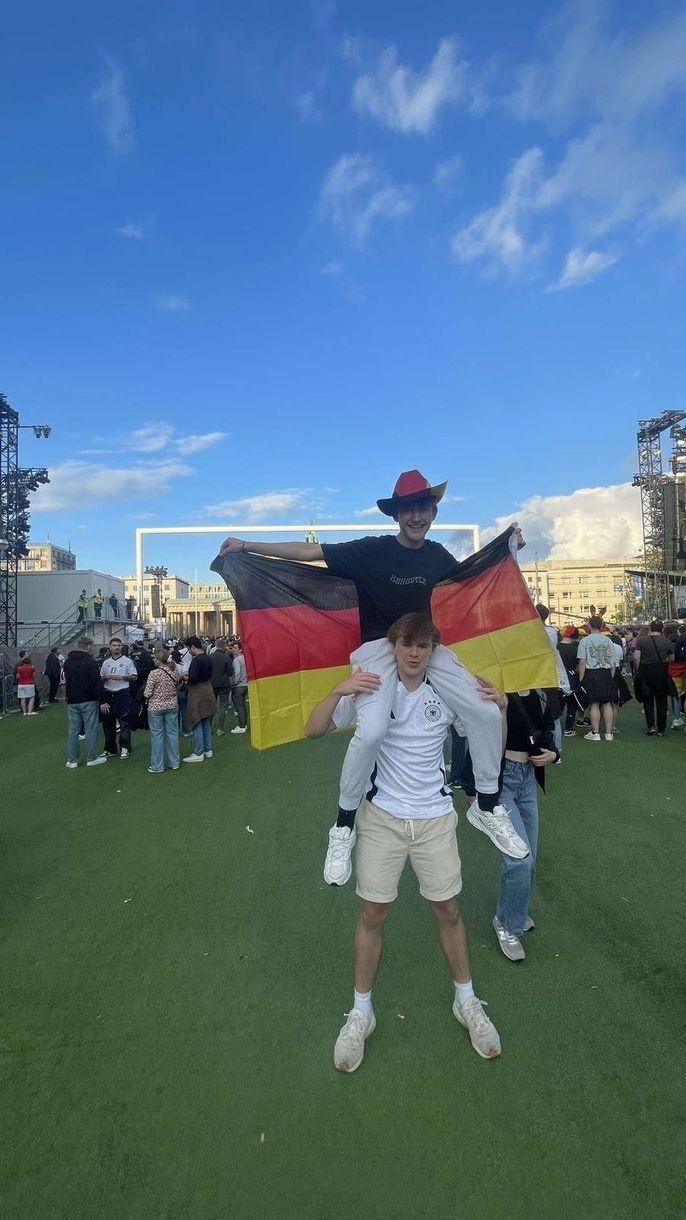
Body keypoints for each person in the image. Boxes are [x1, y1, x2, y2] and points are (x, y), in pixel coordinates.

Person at [220, 469, 528, 885]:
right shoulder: (370, 550)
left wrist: (508, 551)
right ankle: (344, 825)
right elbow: (310, 553)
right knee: (371, 732)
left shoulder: (437, 556)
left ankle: (487, 804)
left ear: (433, 512)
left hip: (424, 643)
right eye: (408, 509)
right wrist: (247, 544)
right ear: (396, 515)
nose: (416, 516)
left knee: (486, 712)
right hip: (378, 648)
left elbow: (472, 581)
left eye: (423, 508)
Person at [305, 612, 503, 1072]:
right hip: (382, 818)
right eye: (406, 645)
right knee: (373, 912)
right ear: (392, 646)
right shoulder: (371, 687)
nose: (414, 654)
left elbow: (485, 733)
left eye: (423, 646)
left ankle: (466, 1001)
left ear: (434, 650)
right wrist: (338, 689)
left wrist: (501, 708)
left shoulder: (447, 691)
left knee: (448, 909)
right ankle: (361, 1011)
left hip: (434, 817)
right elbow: (313, 731)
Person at [492, 689, 558, 962]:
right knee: (519, 859)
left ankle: (513, 913)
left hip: (528, 778)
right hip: (503, 778)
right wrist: (502, 709)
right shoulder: (497, 691)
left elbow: (547, 730)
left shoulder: (540, 690)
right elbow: (487, 742)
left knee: (530, 854)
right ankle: (507, 924)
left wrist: (553, 754)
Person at [64, 638, 109, 767]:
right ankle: (91, 757)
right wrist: (102, 700)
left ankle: (72, 760)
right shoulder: (90, 662)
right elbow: (96, 682)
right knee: (91, 729)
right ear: (88, 646)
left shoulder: (68, 662)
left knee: (73, 731)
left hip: (73, 700)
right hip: (89, 699)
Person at [576, 616, 617, 742]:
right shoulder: (608, 641)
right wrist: (611, 675)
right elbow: (613, 662)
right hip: (605, 672)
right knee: (607, 703)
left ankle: (596, 732)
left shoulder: (584, 641)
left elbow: (582, 662)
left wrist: (581, 678)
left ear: (589, 625)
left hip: (591, 673)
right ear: (601, 625)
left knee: (594, 703)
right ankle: (609, 733)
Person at [144, 646, 181, 773]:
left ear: (159, 659)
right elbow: (177, 684)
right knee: (172, 734)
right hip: (171, 705)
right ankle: (174, 762)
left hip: (155, 707)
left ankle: (157, 766)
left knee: (157, 736)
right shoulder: (173, 671)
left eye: (155, 658)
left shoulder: (154, 674)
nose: (154, 660)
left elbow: (147, 692)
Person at [100, 637, 138, 758]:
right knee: (108, 723)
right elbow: (100, 678)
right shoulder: (106, 663)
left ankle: (125, 747)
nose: (116, 647)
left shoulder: (127, 661)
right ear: (110, 647)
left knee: (124, 721)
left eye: (118, 645)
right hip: (108, 693)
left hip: (122, 693)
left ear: (121, 647)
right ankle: (110, 748)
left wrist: (121, 677)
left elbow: (134, 677)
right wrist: (105, 678)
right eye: (114, 645)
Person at [635, 620, 673, 737]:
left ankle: (650, 726)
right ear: (662, 629)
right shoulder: (667, 642)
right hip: (661, 672)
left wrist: (639, 669)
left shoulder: (641, 641)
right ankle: (661, 729)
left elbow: (636, 658)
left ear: (650, 628)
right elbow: (671, 658)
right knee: (662, 701)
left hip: (646, 672)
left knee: (648, 701)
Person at [183, 636, 216, 762]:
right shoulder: (207, 657)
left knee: (196, 720)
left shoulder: (196, 660)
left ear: (192, 647)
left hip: (198, 692)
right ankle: (208, 749)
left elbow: (193, 678)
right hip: (208, 689)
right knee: (206, 720)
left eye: (188, 649)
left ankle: (198, 752)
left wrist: (185, 678)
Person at [210, 638, 234, 735]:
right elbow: (231, 672)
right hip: (224, 684)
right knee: (223, 706)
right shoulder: (226, 658)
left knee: (211, 705)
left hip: (212, 684)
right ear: (224, 646)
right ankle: (220, 728)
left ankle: (209, 727)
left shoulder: (210, 657)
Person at [230, 642, 248, 734]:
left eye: (235, 648)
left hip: (239, 685)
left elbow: (237, 672)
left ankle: (242, 726)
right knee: (242, 706)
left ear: (240, 649)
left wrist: (234, 682)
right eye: (233, 648)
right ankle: (243, 724)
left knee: (239, 706)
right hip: (246, 684)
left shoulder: (237, 660)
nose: (233, 649)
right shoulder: (246, 658)